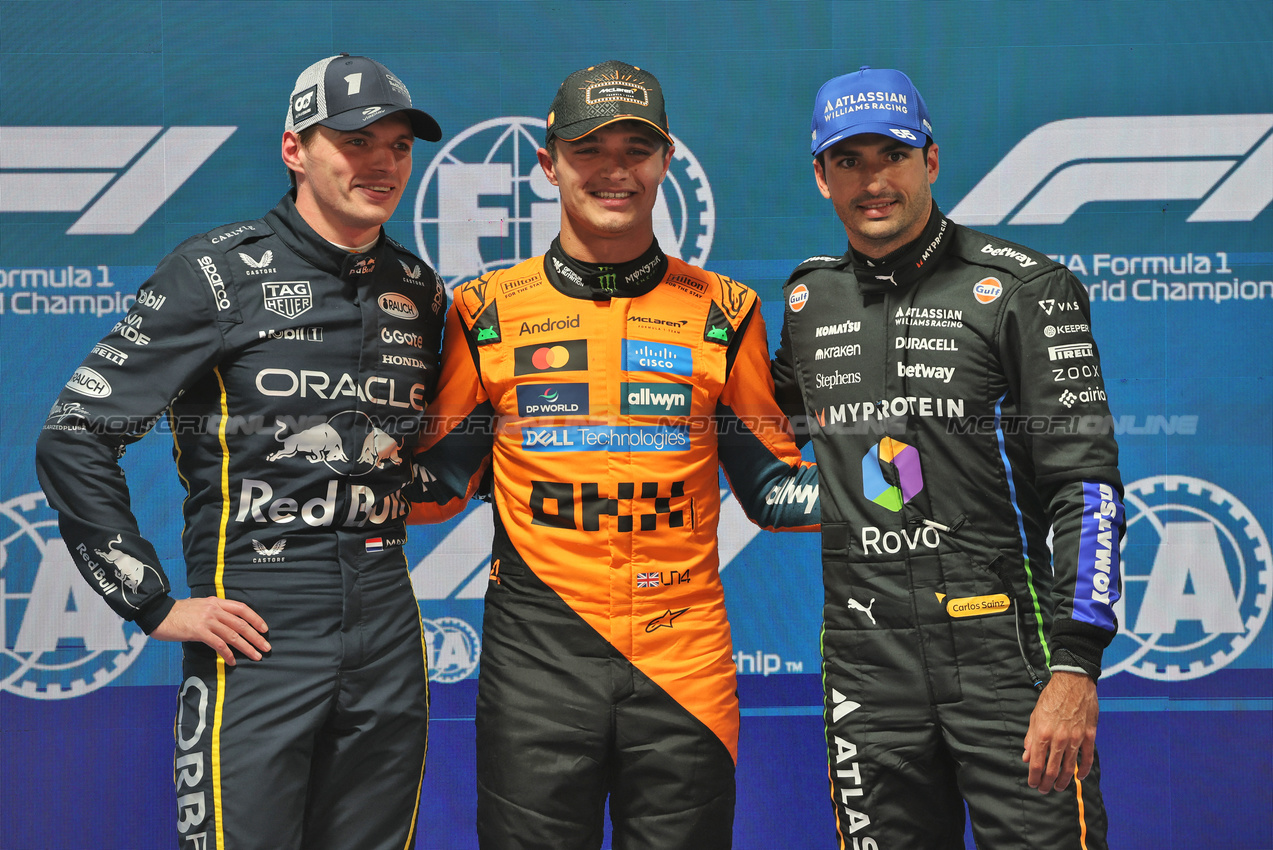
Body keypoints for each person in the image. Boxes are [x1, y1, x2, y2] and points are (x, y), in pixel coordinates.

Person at [35, 54, 445, 850]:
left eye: (399, 145)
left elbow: (435, 451)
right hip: (258, 619)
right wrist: (149, 603)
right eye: (356, 141)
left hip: (388, 620)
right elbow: (74, 436)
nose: (382, 163)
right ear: (295, 149)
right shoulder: (216, 272)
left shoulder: (420, 289)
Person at [408, 60, 820, 850]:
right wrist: (335, 467)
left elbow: (773, 491)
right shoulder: (484, 308)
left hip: (684, 669)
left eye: (636, 147)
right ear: (548, 161)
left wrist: (908, 482)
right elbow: (442, 486)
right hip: (536, 671)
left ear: (667, 161)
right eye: (589, 147)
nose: (614, 170)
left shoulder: (727, 311)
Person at [771, 66, 1124, 849]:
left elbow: (1086, 489)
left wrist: (1074, 667)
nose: (873, 181)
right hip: (864, 664)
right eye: (848, 161)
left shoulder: (1023, 287)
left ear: (929, 160)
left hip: (1007, 657)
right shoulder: (806, 301)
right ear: (820, 175)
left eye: (891, 155)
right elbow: (768, 440)